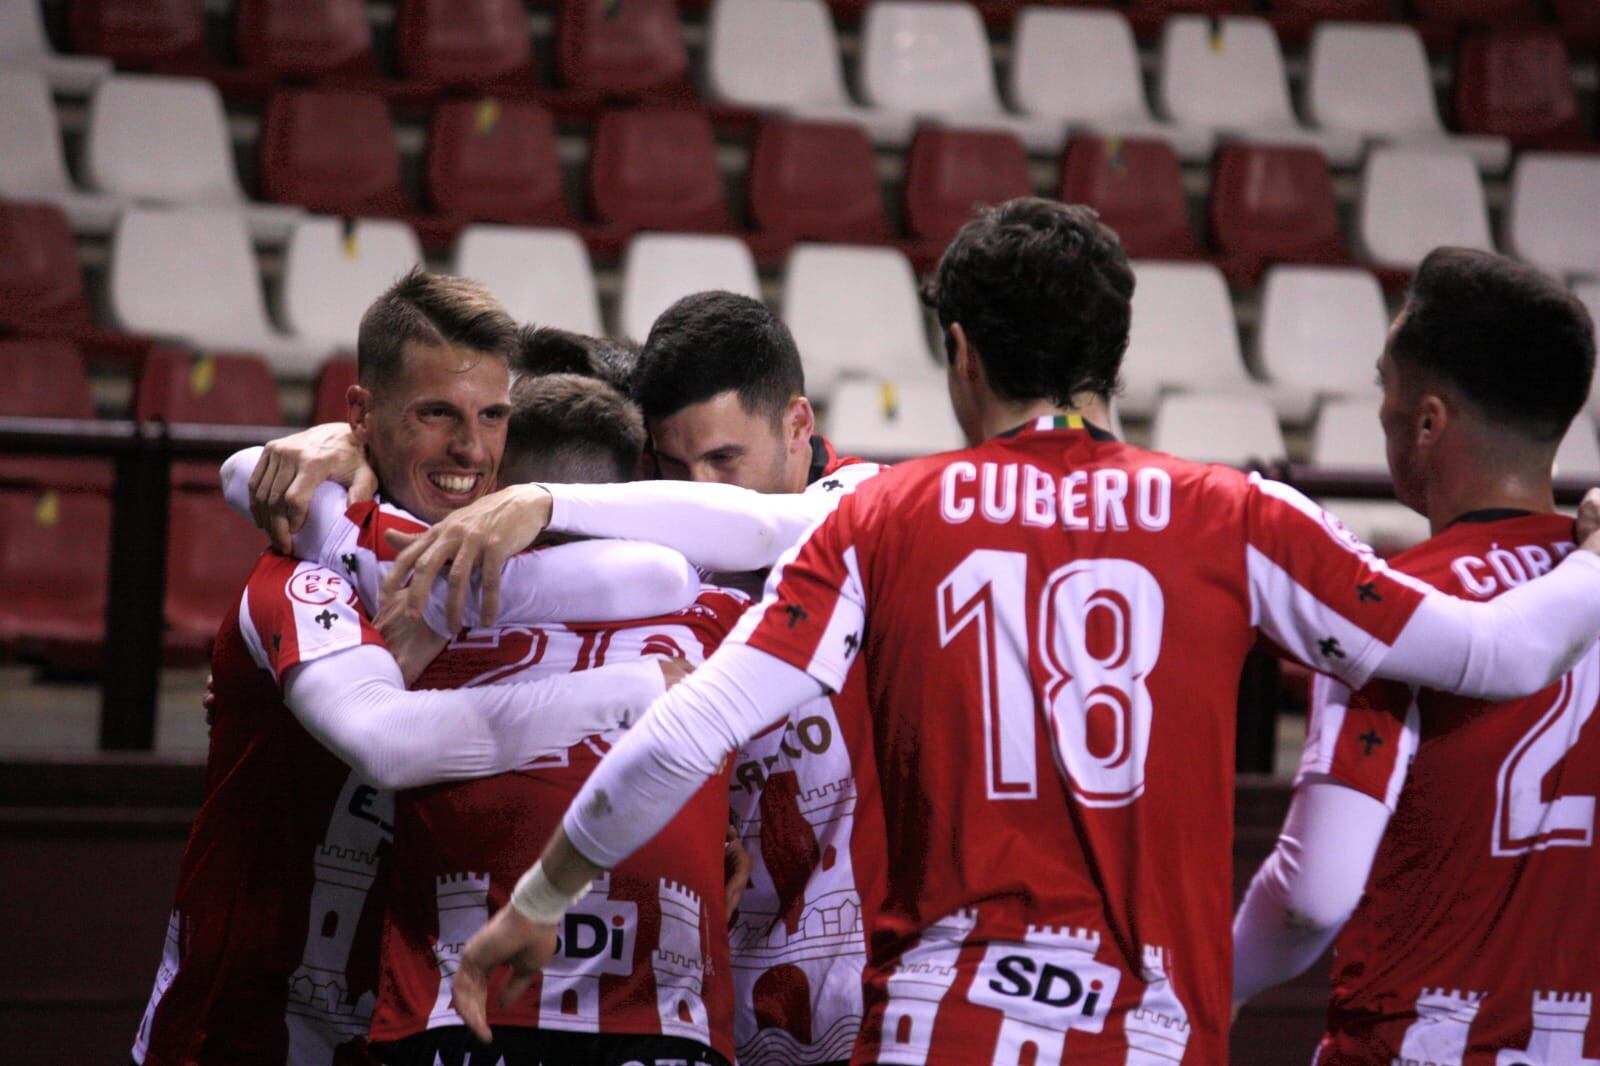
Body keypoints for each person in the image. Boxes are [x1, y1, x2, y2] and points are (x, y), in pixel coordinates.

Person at [445, 200, 1600, 1065]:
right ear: (1115, 354)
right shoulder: (1241, 516)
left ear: (960, 352)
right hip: (1147, 1032)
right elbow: (1492, 652)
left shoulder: (880, 514)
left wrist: (535, 902)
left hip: (935, 1027)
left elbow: (682, 735)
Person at [132, 274, 696, 1066]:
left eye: (491, 417)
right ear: (363, 418)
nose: (470, 450)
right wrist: (640, 694)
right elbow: (389, 743)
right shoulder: (301, 577)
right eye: (437, 414)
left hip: (410, 1026)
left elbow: (661, 576)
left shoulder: (510, 592)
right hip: (242, 1026)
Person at [380, 291, 884, 1065]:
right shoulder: (653, 548)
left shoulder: (866, 508)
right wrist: (335, 450)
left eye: (724, 460)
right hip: (704, 997)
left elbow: (759, 528)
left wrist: (540, 502)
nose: (700, 488)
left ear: (797, 428)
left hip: (861, 990)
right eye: (673, 466)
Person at [1232, 249, 1600, 1063]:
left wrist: (1209, 986)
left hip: (1418, 1042)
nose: (1382, 414)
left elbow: (1311, 898)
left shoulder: (1390, 614)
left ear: (1427, 422)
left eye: (1384, 391)